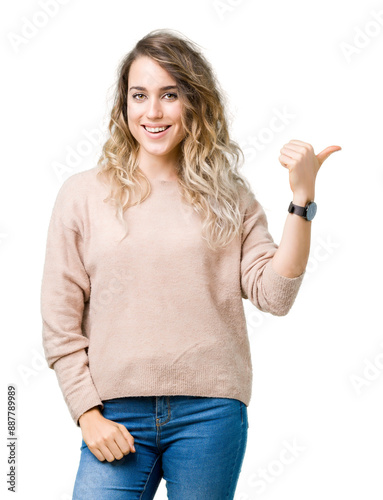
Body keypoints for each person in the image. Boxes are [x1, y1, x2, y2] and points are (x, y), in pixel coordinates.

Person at [40, 28, 341, 500]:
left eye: (170, 95)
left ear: (194, 103)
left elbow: (275, 296)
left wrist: (301, 200)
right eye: (139, 96)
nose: (153, 111)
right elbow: (59, 320)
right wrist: (86, 413)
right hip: (114, 414)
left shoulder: (229, 196)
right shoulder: (81, 195)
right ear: (124, 107)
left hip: (211, 414)